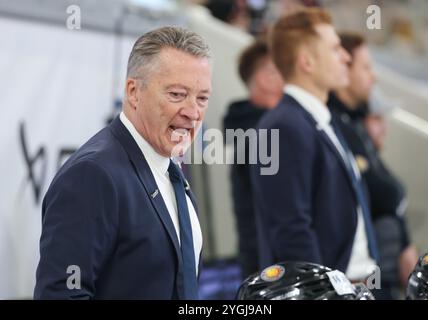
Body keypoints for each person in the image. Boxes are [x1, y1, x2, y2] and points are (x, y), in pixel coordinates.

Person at [34, 27, 212, 299]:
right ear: (133, 92)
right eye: (177, 94)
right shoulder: (93, 175)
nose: (192, 112)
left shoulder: (170, 171)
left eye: (201, 98)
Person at [251, 7, 380, 283]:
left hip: (358, 283)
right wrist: (322, 291)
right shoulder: (282, 127)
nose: (345, 57)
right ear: (307, 62)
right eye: (335, 49)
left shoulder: (322, 120)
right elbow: (291, 231)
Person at [328, 32, 418, 298]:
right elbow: (384, 193)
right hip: (359, 278)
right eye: (366, 67)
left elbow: (392, 190)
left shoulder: (353, 124)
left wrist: (405, 242)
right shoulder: (334, 123)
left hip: (378, 271)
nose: (374, 76)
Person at [223, 38, 283, 279]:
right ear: (265, 78)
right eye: (284, 68)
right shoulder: (259, 135)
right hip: (273, 273)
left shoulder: (258, 129)